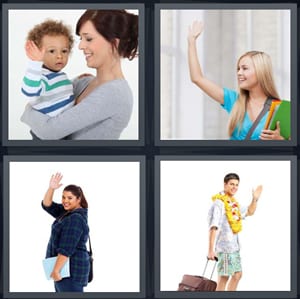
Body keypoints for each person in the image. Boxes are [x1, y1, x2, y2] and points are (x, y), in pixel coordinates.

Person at [21, 9, 138, 140]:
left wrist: (28, 110)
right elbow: (49, 94)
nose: (80, 46)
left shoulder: (115, 93)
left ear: (114, 43)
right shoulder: (85, 82)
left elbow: (50, 132)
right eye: (81, 38)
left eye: (88, 38)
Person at [188, 21, 288, 140]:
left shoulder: (280, 109)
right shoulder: (234, 100)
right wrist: (191, 41)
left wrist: (281, 140)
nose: (239, 73)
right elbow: (197, 78)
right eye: (238, 69)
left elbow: (292, 149)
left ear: (261, 72)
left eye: (245, 68)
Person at [207, 173, 263, 291]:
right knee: (224, 277)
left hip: (234, 248)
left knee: (237, 275)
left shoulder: (233, 203)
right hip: (224, 249)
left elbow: (249, 211)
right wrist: (211, 250)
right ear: (225, 184)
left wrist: (255, 199)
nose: (234, 187)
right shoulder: (219, 203)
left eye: (237, 185)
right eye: (232, 184)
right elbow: (213, 227)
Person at [21, 19, 75, 139]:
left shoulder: (60, 75)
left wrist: (77, 80)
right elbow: (29, 90)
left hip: (64, 131)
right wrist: (35, 63)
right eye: (52, 51)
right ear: (38, 53)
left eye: (64, 51)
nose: (59, 56)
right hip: (46, 136)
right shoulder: (41, 77)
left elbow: (60, 92)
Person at [42, 173, 90, 292]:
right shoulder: (67, 213)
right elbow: (47, 205)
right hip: (64, 270)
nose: (65, 201)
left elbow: (66, 248)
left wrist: (56, 270)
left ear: (78, 199)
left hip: (70, 272)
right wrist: (51, 188)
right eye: (63, 197)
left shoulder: (75, 218)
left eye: (69, 198)